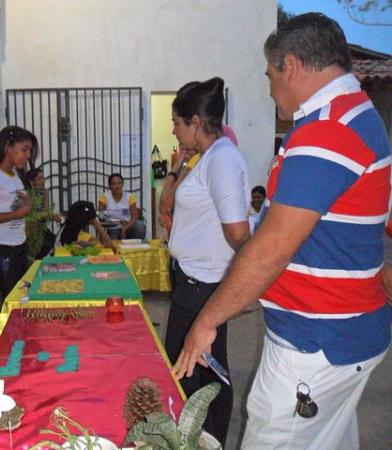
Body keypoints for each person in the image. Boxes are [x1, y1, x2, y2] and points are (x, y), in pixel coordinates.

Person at [172, 13, 392, 450]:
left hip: (315, 345)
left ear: (289, 65)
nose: (269, 85)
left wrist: (208, 320)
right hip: (341, 334)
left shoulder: (328, 130)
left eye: (269, 73)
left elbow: (269, 249)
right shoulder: (358, 116)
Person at [163, 77, 250, 446]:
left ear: (195, 122)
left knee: (206, 371)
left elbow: (238, 234)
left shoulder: (223, 160)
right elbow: (168, 206)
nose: (173, 130)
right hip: (190, 281)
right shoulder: (204, 159)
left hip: (205, 286)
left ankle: (211, 439)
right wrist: (178, 167)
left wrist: (246, 284)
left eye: (177, 123)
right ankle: (194, 437)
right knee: (191, 368)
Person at [0, 126, 35, 300]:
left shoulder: (13, 174)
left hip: (18, 245)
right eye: (24, 150)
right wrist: (18, 214)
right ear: (7, 147)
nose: (27, 156)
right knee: (9, 299)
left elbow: (18, 207)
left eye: (29, 151)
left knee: (19, 297)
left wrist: (26, 207)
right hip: (1, 249)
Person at [25, 167, 62, 262]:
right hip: (29, 230)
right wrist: (50, 215)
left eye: (43, 178)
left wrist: (51, 215)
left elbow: (46, 211)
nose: (43, 181)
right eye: (39, 178)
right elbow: (29, 215)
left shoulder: (45, 192)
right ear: (31, 181)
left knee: (55, 242)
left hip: (41, 227)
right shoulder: (27, 194)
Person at [98, 173, 146, 240]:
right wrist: (117, 223)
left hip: (127, 226)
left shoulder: (129, 197)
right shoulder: (104, 197)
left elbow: (135, 217)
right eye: (114, 184)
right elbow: (101, 218)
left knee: (140, 225)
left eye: (119, 183)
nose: (117, 186)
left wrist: (125, 228)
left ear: (122, 184)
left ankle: (135, 247)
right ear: (109, 186)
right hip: (112, 227)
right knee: (114, 236)